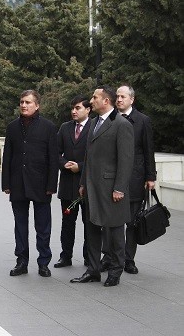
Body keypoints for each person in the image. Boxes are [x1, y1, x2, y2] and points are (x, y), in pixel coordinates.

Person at [70, 85, 134, 287]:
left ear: (106, 101)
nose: (91, 100)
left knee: (114, 230)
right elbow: (88, 157)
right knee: (92, 229)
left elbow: (126, 160)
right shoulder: (94, 123)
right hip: (91, 187)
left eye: (95, 97)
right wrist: (82, 183)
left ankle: (115, 270)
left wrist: (120, 188)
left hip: (111, 188)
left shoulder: (122, 125)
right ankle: (93, 270)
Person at [2, 90, 59, 278]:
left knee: (43, 226)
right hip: (18, 183)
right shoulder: (12, 127)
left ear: (37, 105)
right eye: (21, 102)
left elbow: (53, 157)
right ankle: (22, 261)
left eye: (27, 102)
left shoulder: (49, 127)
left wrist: (52, 185)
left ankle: (44, 262)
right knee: (20, 225)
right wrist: (6, 183)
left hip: (41, 184)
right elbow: (8, 156)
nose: (24, 105)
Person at [100, 85, 156, 274]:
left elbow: (148, 150)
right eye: (117, 96)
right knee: (110, 221)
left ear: (132, 99)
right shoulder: (109, 119)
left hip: (134, 179)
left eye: (123, 96)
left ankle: (128, 259)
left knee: (132, 222)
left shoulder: (143, 121)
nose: (119, 99)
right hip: (112, 179)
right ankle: (108, 257)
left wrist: (151, 176)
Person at [54, 96, 92, 268]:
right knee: (67, 222)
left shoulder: (95, 127)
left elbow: (99, 157)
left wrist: (81, 166)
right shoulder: (65, 128)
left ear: (88, 109)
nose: (74, 111)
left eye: (78, 108)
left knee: (89, 223)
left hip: (88, 185)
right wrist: (64, 164)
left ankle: (88, 256)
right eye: (72, 108)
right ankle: (65, 256)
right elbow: (56, 151)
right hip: (68, 184)